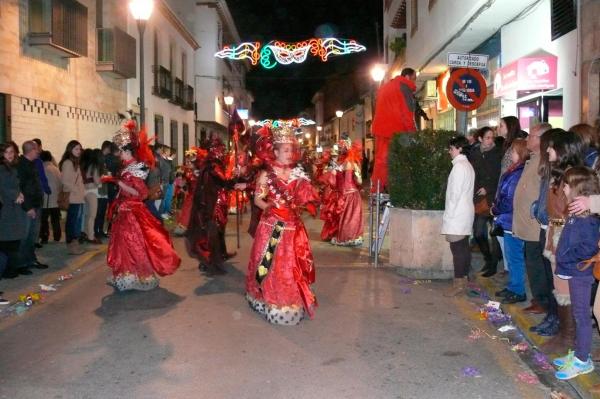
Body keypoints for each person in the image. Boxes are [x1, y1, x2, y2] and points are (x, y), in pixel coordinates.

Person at [245, 125, 320, 325]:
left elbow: (306, 200)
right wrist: (268, 206)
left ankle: (291, 301)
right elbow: (257, 200)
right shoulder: (265, 175)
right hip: (272, 228)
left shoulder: (298, 173)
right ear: (276, 152)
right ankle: (272, 301)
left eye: (291, 150)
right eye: (286, 150)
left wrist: (306, 199)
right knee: (272, 265)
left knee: (292, 267)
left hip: (293, 229)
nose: (290, 154)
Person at [106, 121, 181, 291]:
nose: (118, 155)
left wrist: (120, 183)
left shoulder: (136, 168)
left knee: (133, 244)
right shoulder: (126, 167)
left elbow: (141, 193)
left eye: (120, 151)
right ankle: (125, 274)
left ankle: (138, 276)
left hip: (132, 212)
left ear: (126, 151)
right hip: (124, 211)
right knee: (123, 245)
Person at [551, 166, 600, 380]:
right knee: (578, 314)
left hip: (581, 272)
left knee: (581, 316)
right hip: (573, 270)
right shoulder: (576, 213)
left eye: (567, 186)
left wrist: (567, 260)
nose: (564, 189)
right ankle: (581, 353)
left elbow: (587, 249)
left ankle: (582, 360)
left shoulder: (587, 219)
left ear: (578, 189)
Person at [542, 130, 585, 352]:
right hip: (556, 232)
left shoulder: (573, 177)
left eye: (552, 147)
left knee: (566, 288)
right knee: (559, 286)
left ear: (563, 150)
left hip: (565, 236)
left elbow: (575, 212)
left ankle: (569, 338)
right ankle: (564, 334)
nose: (547, 150)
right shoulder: (561, 175)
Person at [513, 123, 554, 316]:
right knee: (533, 263)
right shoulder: (534, 159)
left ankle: (543, 301)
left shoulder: (545, 162)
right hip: (527, 222)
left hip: (536, 224)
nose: (528, 138)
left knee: (537, 265)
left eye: (532, 136)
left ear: (542, 140)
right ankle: (539, 299)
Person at [186, 136, 240, 275]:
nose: (223, 152)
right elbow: (224, 181)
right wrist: (237, 179)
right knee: (212, 234)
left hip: (218, 203)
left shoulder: (213, 163)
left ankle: (220, 255)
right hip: (212, 206)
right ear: (213, 150)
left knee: (219, 231)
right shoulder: (213, 165)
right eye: (220, 149)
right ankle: (210, 262)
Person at [492, 139, 528, 304]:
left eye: (513, 151)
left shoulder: (518, 172)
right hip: (507, 219)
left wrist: (496, 209)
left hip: (511, 219)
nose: (511, 154)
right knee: (511, 255)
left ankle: (518, 290)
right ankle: (513, 286)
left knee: (514, 256)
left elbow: (509, 198)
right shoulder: (515, 170)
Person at [371, 67, 418, 191]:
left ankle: (377, 190)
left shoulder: (386, 86)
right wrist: (414, 134)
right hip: (395, 130)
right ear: (407, 77)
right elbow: (407, 114)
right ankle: (397, 192)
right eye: (414, 79)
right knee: (401, 162)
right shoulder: (404, 87)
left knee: (381, 162)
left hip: (380, 129)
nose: (414, 83)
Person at [441, 136, 475, 297]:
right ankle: (463, 280)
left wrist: (449, 215)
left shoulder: (459, 167)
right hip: (464, 211)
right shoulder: (466, 165)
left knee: (458, 249)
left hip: (457, 213)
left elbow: (454, 194)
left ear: (460, 149)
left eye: (452, 148)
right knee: (463, 248)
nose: (449, 151)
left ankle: (459, 282)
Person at [470, 127, 502, 277]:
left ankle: (493, 264)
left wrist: (488, 189)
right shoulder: (474, 153)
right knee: (478, 232)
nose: (490, 140)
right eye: (488, 137)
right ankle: (488, 258)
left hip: (492, 199)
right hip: (477, 199)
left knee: (494, 233)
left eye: (492, 137)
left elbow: (499, 176)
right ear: (480, 139)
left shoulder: (497, 154)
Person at [16, 140, 47, 272]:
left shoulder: (32, 164)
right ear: (31, 150)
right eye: (36, 149)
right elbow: (20, 188)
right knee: (25, 235)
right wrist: (28, 207)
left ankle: (30, 259)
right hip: (28, 207)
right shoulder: (21, 165)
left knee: (32, 235)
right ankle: (21, 264)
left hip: (36, 204)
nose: (39, 151)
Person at [0, 142, 27, 278]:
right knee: (7, 241)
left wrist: (20, 193)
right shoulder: (2, 168)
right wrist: (15, 194)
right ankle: (7, 270)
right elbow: (3, 186)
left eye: (12, 152)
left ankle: (10, 268)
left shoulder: (13, 167)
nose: (10, 155)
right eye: (6, 152)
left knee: (14, 240)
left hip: (15, 207)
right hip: (7, 208)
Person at [331, 138, 364, 246]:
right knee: (351, 217)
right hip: (352, 193)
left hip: (345, 193)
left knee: (346, 217)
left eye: (340, 148)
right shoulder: (351, 163)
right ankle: (350, 237)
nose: (340, 151)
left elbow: (337, 180)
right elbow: (359, 181)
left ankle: (346, 237)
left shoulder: (342, 163)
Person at [60, 140, 86, 255]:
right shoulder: (68, 163)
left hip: (77, 197)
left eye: (80, 149)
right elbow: (65, 181)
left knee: (75, 221)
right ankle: (72, 245)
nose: (79, 151)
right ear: (70, 149)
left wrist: (80, 191)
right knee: (72, 221)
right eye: (76, 149)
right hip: (72, 197)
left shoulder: (75, 162)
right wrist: (77, 190)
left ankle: (74, 244)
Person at [40, 150, 62, 244]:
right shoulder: (56, 169)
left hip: (44, 199)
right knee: (55, 219)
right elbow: (61, 183)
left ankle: (44, 237)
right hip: (55, 199)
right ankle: (57, 236)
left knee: (44, 220)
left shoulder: (41, 169)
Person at [81, 148, 102, 244]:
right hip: (92, 192)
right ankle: (91, 236)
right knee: (92, 215)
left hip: (83, 191)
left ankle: (85, 233)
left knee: (86, 215)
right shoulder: (94, 166)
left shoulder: (82, 165)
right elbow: (97, 181)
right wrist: (102, 180)